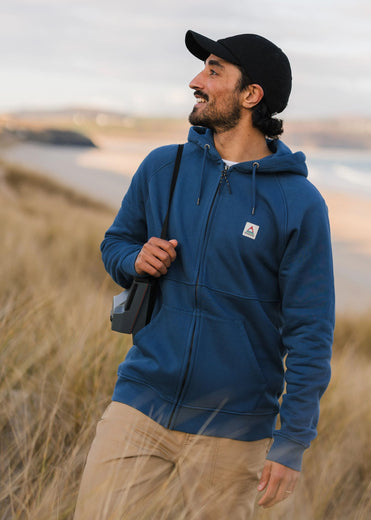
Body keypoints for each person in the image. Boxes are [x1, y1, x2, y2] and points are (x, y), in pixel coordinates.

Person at [74, 30, 335, 520]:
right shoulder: (163, 167)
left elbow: (311, 330)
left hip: (234, 429)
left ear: (251, 95)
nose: (196, 81)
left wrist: (292, 441)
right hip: (140, 404)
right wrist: (135, 260)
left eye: (214, 71)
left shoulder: (299, 204)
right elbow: (115, 244)